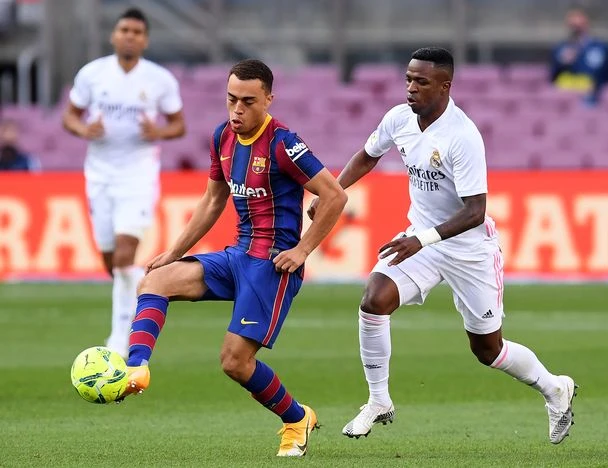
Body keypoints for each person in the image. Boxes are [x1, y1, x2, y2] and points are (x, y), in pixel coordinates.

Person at [309, 47, 577, 445]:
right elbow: (367, 156)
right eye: (408, 79)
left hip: (468, 249)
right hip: (422, 239)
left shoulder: (462, 136)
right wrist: (332, 190)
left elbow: (475, 211)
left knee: (488, 350)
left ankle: (555, 388)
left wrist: (422, 239)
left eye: (421, 82)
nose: (411, 88)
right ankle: (379, 400)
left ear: (445, 86)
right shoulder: (399, 118)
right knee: (374, 300)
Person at [119, 59, 347, 457]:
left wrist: (302, 249)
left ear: (268, 99)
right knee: (155, 281)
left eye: (248, 101)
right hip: (237, 255)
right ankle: (136, 368)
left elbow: (334, 195)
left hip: (271, 265)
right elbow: (212, 200)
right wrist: (174, 252)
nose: (237, 110)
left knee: (234, 362)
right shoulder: (222, 136)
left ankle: (296, 418)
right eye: (231, 99)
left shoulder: (283, 144)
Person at [62, 8, 186, 359]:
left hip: (138, 176)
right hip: (99, 175)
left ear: (145, 40)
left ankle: (119, 338)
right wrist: (83, 128)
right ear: (114, 35)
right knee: (111, 261)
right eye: (124, 30)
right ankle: (132, 307)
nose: (129, 36)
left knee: (124, 254)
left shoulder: (159, 80)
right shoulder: (92, 74)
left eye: (136, 32)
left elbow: (179, 125)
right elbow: (69, 116)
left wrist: (158, 132)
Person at [551, 6, 608, 105]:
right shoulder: (561, 48)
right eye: (573, 24)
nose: (576, 26)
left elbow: (602, 72)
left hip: (593, 95)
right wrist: (563, 62)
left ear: (587, 22)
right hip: (567, 94)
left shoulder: (599, 47)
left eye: (579, 22)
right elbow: (553, 76)